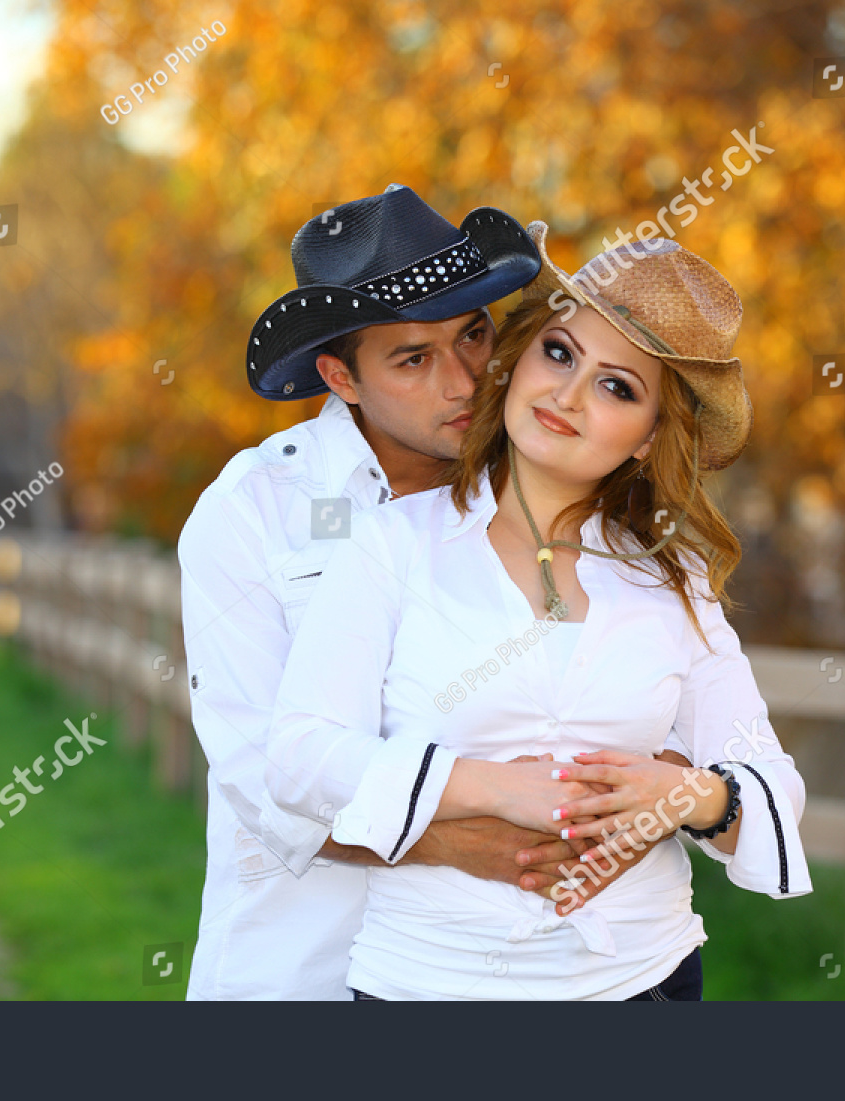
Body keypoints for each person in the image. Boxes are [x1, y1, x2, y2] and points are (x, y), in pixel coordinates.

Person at [266, 226, 813, 1000]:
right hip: (427, 989)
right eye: (559, 352)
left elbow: (772, 778)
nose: (567, 394)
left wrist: (682, 797)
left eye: (616, 386)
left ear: (649, 435)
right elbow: (300, 755)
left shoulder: (672, 580)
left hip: (643, 981)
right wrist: (487, 786)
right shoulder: (390, 546)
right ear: (519, 359)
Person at [178, 187, 677, 1000]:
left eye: (474, 336)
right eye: (414, 358)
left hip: (512, 975)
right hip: (300, 969)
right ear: (341, 375)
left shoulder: (552, 486)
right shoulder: (253, 512)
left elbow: (664, 698)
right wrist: (460, 841)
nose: (466, 380)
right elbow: (266, 775)